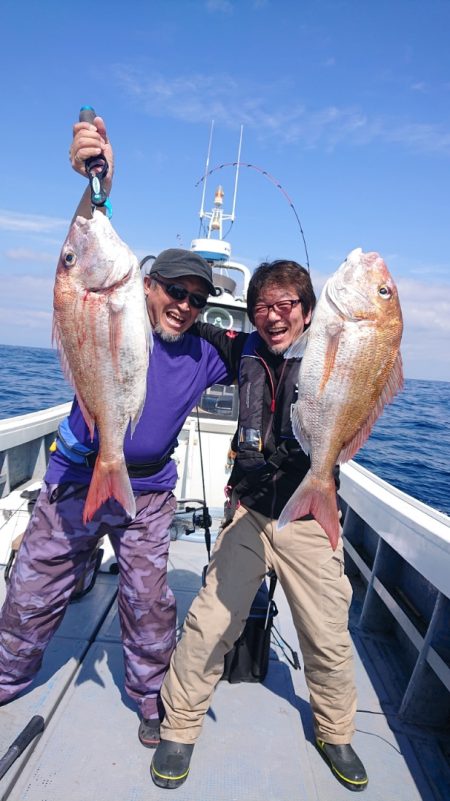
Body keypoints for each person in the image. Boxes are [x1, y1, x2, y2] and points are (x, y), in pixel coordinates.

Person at [0, 115, 236, 749]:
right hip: (78, 476)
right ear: (147, 285)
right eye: (175, 291)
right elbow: (85, 243)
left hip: (151, 493)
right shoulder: (118, 303)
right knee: (32, 585)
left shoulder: (207, 352)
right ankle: (6, 674)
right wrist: (96, 184)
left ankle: (148, 696)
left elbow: (271, 350)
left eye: (198, 298)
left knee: (149, 601)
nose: (185, 305)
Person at [150, 259, 369, 792]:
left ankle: (335, 731)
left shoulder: (332, 352)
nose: (272, 317)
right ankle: (179, 724)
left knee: (328, 636)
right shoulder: (241, 348)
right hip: (249, 509)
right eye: (262, 307)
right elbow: (183, 323)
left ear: (309, 310)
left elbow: (371, 355)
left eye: (286, 305)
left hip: (311, 516)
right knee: (207, 624)